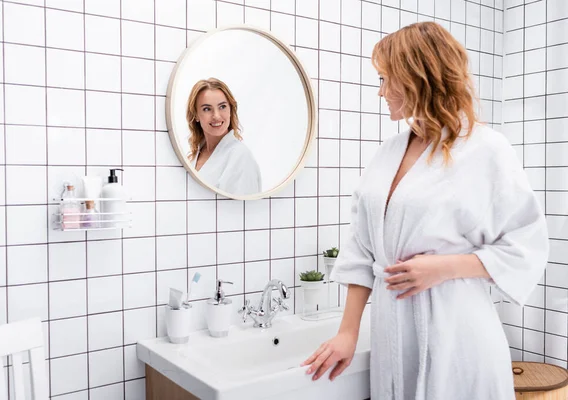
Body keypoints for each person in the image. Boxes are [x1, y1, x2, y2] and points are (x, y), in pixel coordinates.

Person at [301, 22, 549, 400]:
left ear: (419, 77)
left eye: (386, 79)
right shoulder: (388, 153)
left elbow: (526, 245)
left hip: (458, 331)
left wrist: (444, 267)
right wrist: (348, 332)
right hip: (393, 330)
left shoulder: (486, 149)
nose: (381, 91)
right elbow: (361, 248)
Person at [186, 78, 262, 196]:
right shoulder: (194, 156)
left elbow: (243, 211)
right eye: (207, 109)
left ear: (231, 109)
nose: (216, 116)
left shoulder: (240, 157)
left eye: (222, 107)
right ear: (196, 115)